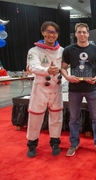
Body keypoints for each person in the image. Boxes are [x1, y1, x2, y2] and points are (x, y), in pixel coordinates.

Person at [61, 23, 96, 156]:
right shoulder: (68, 50)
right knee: (73, 118)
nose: (82, 34)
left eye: (84, 32)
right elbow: (62, 68)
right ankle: (74, 143)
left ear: (88, 33)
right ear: (75, 34)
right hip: (74, 89)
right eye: (79, 32)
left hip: (92, 88)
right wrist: (67, 77)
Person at [26, 21, 63, 158]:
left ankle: (55, 142)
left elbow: (66, 68)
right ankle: (32, 144)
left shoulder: (62, 51)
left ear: (57, 34)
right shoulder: (34, 51)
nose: (51, 34)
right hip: (40, 89)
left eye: (54, 32)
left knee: (56, 117)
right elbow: (33, 67)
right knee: (35, 118)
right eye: (48, 31)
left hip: (56, 89)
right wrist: (47, 70)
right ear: (43, 32)